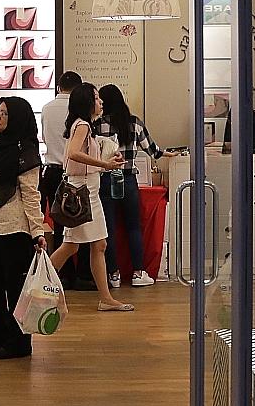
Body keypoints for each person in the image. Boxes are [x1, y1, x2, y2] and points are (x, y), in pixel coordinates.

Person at [48, 83, 133, 312]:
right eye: (96, 98)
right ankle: (37, 283)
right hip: (83, 194)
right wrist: (104, 164)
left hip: (87, 192)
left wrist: (103, 163)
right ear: (87, 102)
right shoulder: (83, 125)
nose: (101, 102)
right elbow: (73, 153)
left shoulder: (83, 125)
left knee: (96, 245)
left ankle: (105, 298)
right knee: (72, 246)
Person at [0, 96, 47, 360]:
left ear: (17, 117)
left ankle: (19, 342)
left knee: (14, 285)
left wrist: (37, 231)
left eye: (4, 113)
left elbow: (31, 193)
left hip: (16, 227)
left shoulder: (25, 152)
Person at [94, 84, 170, 289]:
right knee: (133, 227)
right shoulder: (134, 123)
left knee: (108, 229)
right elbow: (153, 150)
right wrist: (170, 154)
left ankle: (114, 274)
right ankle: (138, 272)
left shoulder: (97, 125)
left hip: (105, 179)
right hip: (128, 180)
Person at [39, 71, 90, 288]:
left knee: (60, 223)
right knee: (82, 222)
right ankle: (83, 274)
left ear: (59, 87)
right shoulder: (80, 112)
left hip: (51, 171)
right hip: (73, 173)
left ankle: (62, 274)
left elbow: (44, 136)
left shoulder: (47, 108)